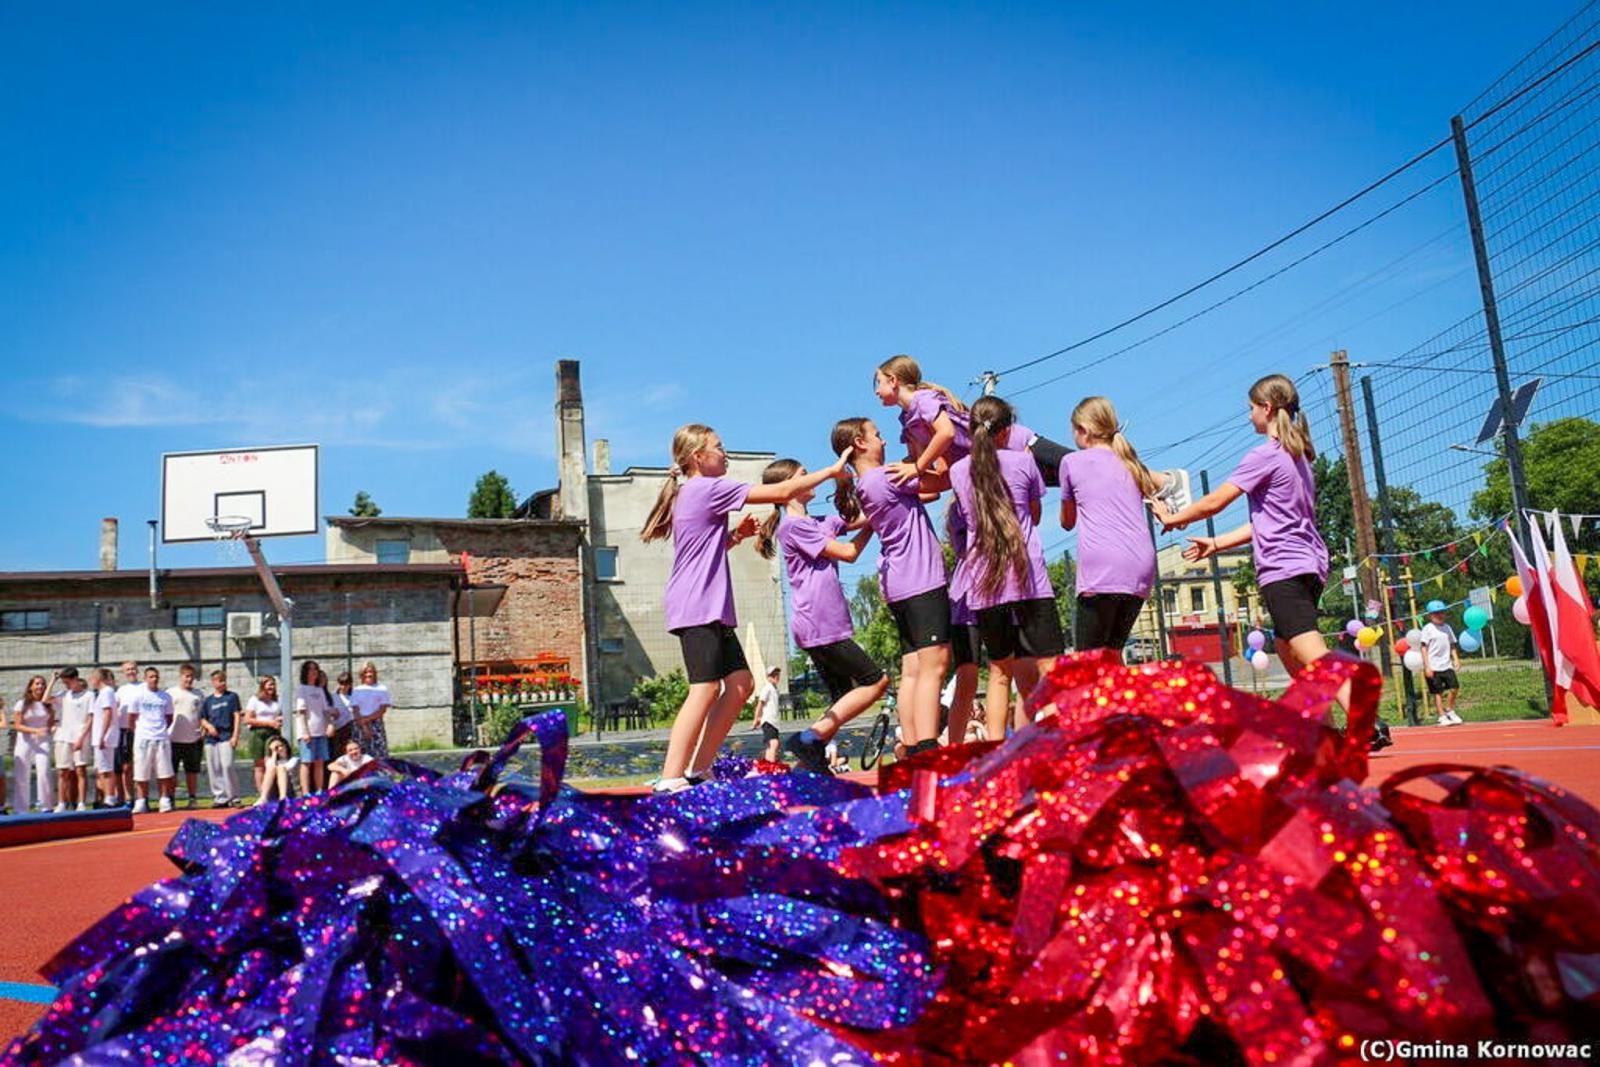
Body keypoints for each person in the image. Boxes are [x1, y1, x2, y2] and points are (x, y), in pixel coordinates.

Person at [1150, 374, 1391, 749]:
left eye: (1250, 409)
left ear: (1266, 408)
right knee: (1287, 648)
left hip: (1284, 567)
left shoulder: (1265, 455)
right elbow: (1268, 521)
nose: (1248, 416)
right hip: (1308, 563)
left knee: (1310, 650)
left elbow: (1215, 502)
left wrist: (1173, 518)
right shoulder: (1299, 459)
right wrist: (1217, 543)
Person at [639, 423, 850, 793]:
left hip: (708, 605)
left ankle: (699, 768)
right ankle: (671, 776)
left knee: (740, 684)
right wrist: (832, 471)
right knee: (704, 688)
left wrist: (735, 536)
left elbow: (702, 549)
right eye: (719, 447)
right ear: (698, 457)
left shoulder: (694, 492)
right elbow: (781, 492)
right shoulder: (707, 488)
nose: (726, 453)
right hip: (696, 604)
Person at [753, 457, 888, 774]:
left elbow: (863, 517)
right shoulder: (793, 526)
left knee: (842, 696)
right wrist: (872, 525)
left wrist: (891, 495)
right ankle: (807, 740)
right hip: (818, 623)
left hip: (827, 623)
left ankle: (806, 764)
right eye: (804, 474)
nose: (811, 477)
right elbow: (849, 553)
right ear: (790, 486)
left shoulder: (818, 522)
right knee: (876, 681)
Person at [948, 396, 1066, 739]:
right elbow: (1035, 514)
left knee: (999, 671)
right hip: (1029, 576)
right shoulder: (1024, 462)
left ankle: (996, 749)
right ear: (1006, 432)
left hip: (985, 581)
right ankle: (1061, 744)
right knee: (1051, 667)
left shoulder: (958, 471)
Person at [833, 416, 949, 755]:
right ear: (860, 442)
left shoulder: (869, 483)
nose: (884, 441)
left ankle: (911, 745)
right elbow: (943, 479)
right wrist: (927, 441)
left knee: (912, 668)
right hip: (920, 579)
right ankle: (927, 746)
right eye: (878, 435)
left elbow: (927, 493)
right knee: (935, 665)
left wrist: (915, 462)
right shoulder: (886, 476)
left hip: (900, 582)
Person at [1058, 397, 1163, 655]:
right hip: (1139, 568)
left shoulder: (1071, 462)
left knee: (1088, 661)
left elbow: (1067, 522)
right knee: (1112, 654)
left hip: (1102, 568)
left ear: (1083, 430)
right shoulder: (1131, 462)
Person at [873, 354, 1070, 486]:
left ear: (893, 380)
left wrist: (917, 468)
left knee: (1078, 467)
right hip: (999, 463)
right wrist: (883, 476)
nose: (876, 391)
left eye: (878, 383)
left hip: (1015, 442)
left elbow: (946, 433)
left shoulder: (923, 400)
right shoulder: (907, 421)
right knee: (1071, 482)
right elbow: (935, 467)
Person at [129, 666, 176, 814]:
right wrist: (139, 731)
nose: (154, 679)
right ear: (145, 679)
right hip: (143, 737)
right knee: (141, 771)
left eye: (156, 676)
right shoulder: (138, 696)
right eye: (151, 677)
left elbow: (169, 718)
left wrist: (160, 730)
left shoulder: (165, 697)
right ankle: (141, 801)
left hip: (161, 737)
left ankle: (164, 800)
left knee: (164, 771)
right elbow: (131, 717)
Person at [13, 675, 57, 812]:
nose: (40, 686)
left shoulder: (48, 704)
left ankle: (46, 806)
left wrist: (51, 728)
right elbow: (17, 725)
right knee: (22, 774)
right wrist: (35, 731)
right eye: (37, 684)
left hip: (43, 742)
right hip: (24, 741)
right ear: (31, 686)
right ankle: (21, 808)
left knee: (44, 772)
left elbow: (50, 723)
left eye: (42, 684)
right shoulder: (22, 704)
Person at [52, 668, 94, 811]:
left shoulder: (89, 695)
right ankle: (61, 803)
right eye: (64, 682)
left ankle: (81, 802)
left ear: (76, 679)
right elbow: (45, 699)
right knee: (62, 771)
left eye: (68, 682)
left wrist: (81, 738)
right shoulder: (64, 694)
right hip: (63, 735)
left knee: (80, 770)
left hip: (80, 735)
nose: (66, 685)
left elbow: (90, 718)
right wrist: (53, 680)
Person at [200, 670, 243, 807]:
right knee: (214, 768)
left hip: (226, 736)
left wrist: (235, 735)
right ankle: (220, 797)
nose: (223, 683)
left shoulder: (232, 697)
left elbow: (237, 716)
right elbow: (202, 718)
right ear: (213, 682)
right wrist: (208, 726)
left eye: (224, 680)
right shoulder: (208, 701)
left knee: (227, 765)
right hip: (211, 739)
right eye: (219, 680)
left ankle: (234, 796)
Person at [166, 663, 205, 808]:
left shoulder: (199, 694)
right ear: (181, 676)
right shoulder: (170, 693)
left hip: (193, 739)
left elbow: (202, 715)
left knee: (192, 772)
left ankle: (192, 798)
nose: (189, 679)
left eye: (191, 677)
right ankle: (171, 799)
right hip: (173, 739)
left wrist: (203, 729)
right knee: (172, 771)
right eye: (186, 676)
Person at [294, 660, 335, 794]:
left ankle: (319, 790)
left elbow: (325, 711)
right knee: (306, 762)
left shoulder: (319, 690)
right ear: (305, 672)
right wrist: (305, 731)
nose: (313, 672)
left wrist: (330, 725)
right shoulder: (301, 689)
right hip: (307, 732)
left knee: (320, 762)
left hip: (321, 731)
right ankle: (306, 793)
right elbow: (301, 712)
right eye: (310, 669)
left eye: (315, 669)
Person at [1420, 601, 1464, 726]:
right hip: (1433, 666)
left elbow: (1452, 645)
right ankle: (1441, 716)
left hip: (1446, 664)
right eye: (1436, 613)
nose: (1439, 615)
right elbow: (1423, 648)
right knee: (1437, 692)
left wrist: (1456, 659)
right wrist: (1427, 666)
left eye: (1442, 612)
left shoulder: (1447, 628)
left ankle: (1449, 709)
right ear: (1430, 615)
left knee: (1454, 687)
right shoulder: (1427, 629)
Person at [242, 676, 283, 794]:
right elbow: (247, 719)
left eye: (273, 685)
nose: (272, 687)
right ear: (263, 686)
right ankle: (262, 793)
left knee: (272, 763)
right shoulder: (255, 700)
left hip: (273, 733)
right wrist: (268, 723)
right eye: (269, 684)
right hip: (258, 733)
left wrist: (280, 719)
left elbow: (281, 715)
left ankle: (272, 792)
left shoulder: (277, 700)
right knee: (259, 765)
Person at [90, 667, 124, 807]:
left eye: (93, 678)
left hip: (105, 736)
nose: (91, 681)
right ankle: (106, 797)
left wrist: (102, 735)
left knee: (106, 768)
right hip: (100, 735)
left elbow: (107, 713)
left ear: (99, 679)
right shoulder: (102, 693)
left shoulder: (107, 692)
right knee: (101, 769)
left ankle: (110, 797)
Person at [350, 663, 392, 760]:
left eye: (370, 672)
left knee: (379, 754)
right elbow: (355, 709)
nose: (368, 674)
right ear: (361, 674)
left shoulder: (382, 689)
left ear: (375, 673)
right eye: (365, 672)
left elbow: (382, 709)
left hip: (376, 724)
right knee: (360, 755)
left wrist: (367, 719)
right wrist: (364, 725)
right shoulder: (357, 690)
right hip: (359, 724)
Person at [113, 661, 141, 808]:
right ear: (124, 673)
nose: (131, 672)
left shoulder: (144, 687)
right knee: (126, 767)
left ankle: (142, 798)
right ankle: (128, 797)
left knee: (140, 766)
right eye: (128, 670)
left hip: (142, 731)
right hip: (125, 731)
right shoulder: (121, 691)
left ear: (137, 670)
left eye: (133, 669)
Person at [255, 735, 299, 804]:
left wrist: (282, 754)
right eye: (276, 747)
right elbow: (270, 767)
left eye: (281, 745)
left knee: (281, 768)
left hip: (290, 790)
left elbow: (289, 768)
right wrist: (274, 752)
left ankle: (283, 799)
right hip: (273, 791)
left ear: (286, 746)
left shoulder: (294, 760)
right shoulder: (271, 761)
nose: (279, 748)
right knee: (271, 769)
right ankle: (263, 798)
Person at [751, 667, 783, 762]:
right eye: (772, 675)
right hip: (768, 720)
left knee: (771, 745)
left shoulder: (775, 689)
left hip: (774, 722)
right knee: (774, 743)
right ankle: (772, 765)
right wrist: (756, 718)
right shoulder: (767, 688)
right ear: (768, 677)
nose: (775, 677)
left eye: (777, 674)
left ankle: (768, 763)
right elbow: (760, 704)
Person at [331, 670, 356, 754]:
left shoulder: (354, 696)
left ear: (350, 684)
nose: (344, 686)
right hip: (339, 728)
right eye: (341, 684)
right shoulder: (333, 697)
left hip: (352, 728)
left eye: (346, 684)